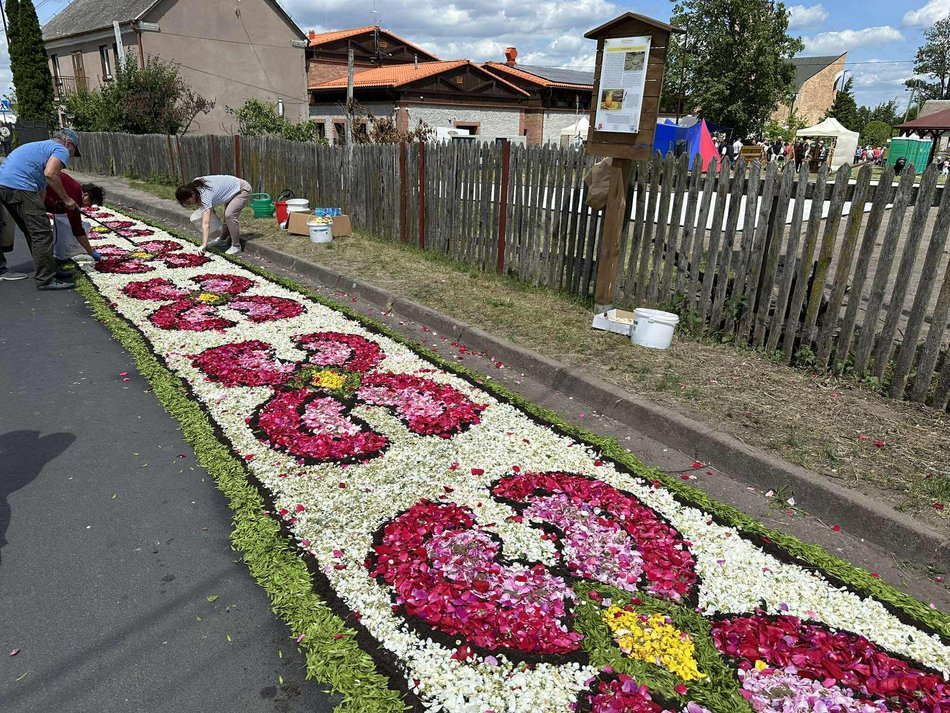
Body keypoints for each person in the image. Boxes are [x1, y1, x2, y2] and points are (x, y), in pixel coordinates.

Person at [0, 128, 82, 289]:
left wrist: (40, 211)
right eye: (74, 151)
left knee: (34, 229)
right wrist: (67, 200)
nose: (71, 156)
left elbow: (42, 189)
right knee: (42, 232)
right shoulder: (61, 149)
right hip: (19, 186)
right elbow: (50, 174)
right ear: (69, 143)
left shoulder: (42, 147)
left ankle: (50, 269)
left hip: (5, 185)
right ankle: (46, 279)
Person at [175, 175, 252, 255]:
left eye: (189, 201)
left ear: (192, 194)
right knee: (227, 216)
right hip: (232, 189)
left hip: (242, 190)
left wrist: (204, 244)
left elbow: (206, 223)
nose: (190, 203)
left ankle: (236, 246)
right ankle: (222, 240)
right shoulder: (196, 185)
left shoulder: (204, 195)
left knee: (229, 215)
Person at [45, 172, 103, 262]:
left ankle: (51, 259)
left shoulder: (75, 189)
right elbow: (77, 229)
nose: (90, 206)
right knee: (41, 234)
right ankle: (47, 264)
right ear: (86, 195)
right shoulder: (74, 196)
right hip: (33, 194)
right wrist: (91, 252)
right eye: (91, 202)